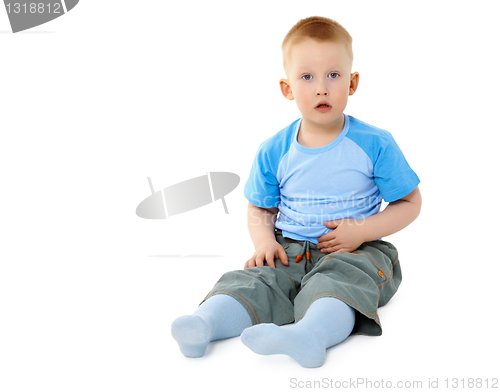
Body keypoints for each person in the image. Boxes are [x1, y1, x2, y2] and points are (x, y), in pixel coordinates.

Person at [171, 16, 421, 368]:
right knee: (255, 280)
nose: (322, 88)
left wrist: (362, 231)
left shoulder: (375, 143)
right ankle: (203, 325)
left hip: (358, 250)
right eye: (307, 77)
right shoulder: (274, 149)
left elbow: (410, 202)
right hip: (290, 248)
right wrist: (264, 243)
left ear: (352, 83)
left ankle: (311, 336)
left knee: (338, 283)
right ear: (287, 89)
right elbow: (259, 208)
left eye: (333, 75)